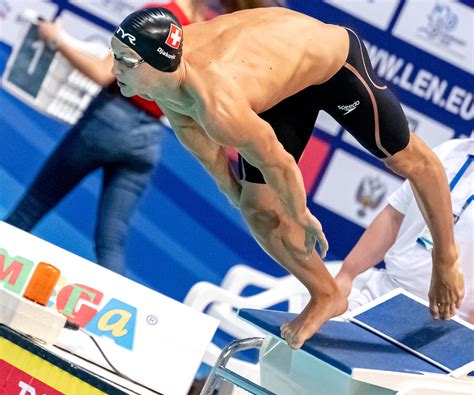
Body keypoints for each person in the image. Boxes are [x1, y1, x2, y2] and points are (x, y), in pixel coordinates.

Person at [109, 6, 464, 348]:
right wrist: (235, 193)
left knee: (412, 162)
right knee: (257, 209)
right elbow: (208, 154)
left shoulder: (219, 104)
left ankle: (446, 258)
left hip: (332, 63)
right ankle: (326, 294)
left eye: (126, 61)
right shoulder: (165, 82)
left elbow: (279, 165)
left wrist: (299, 214)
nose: (115, 67)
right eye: (115, 54)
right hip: (273, 74)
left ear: (161, 64)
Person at [4, 0, 269, 274]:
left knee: (29, 210)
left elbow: (102, 73)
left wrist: (56, 40)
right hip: (148, 143)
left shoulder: (156, 17)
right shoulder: (205, 33)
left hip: (106, 124)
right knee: (111, 245)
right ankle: (113, 315)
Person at [335, 138, 473, 323]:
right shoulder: (449, 151)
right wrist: (347, 274)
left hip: (448, 324)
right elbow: (395, 216)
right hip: (383, 294)